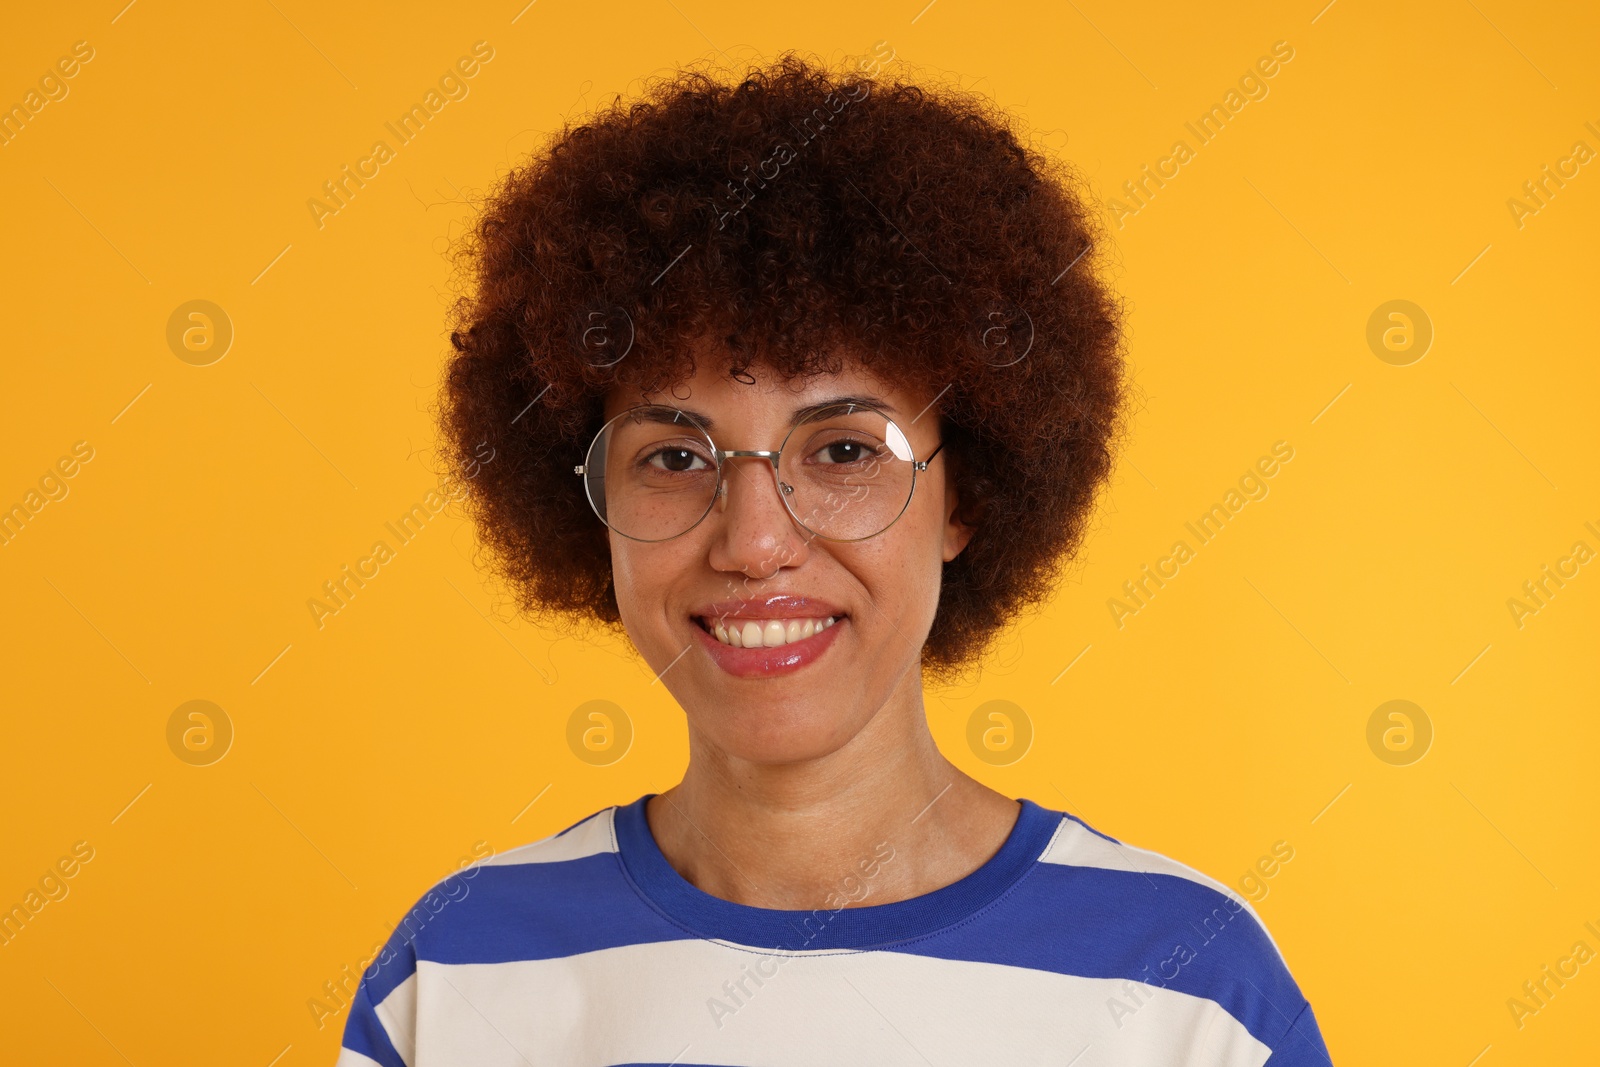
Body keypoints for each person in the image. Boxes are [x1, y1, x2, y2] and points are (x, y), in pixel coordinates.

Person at [337, 51, 1333, 1066]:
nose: (755, 540)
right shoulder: (456, 977)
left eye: (845, 450)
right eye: (675, 456)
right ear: (585, 500)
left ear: (968, 495)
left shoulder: (1189, 988)